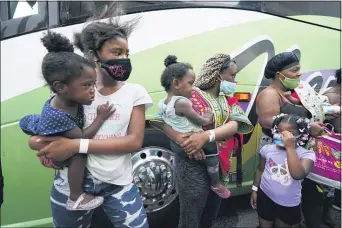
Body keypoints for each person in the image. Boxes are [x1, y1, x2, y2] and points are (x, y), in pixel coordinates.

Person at [27, 3, 152, 227]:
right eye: (116, 52)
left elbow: (134, 141)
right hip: (72, 187)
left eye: (126, 53)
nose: (124, 59)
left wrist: (74, 147)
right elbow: (43, 132)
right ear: (95, 55)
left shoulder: (135, 93)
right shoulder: (77, 92)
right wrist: (45, 148)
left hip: (118, 184)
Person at [150, 53, 253, 228]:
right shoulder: (189, 95)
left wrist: (206, 136)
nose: (235, 81)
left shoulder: (229, 100)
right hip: (193, 165)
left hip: (220, 164)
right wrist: (184, 141)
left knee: (211, 211)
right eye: (232, 75)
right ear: (217, 74)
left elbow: (236, 125)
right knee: (192, 213)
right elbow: (163, 121)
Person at [19, 31, 116, 211]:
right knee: (78, 153)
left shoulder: (68, 98)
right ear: (60, 87)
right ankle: (76, 197)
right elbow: (82, 138)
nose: (92, 90)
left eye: (93, 84)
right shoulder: (59, 115)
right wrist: (101, 118)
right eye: (87, 85)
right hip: (55, 136)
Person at [255, 51, 339, 228]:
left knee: (303, 193)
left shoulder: (292, 93)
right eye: (294, 70)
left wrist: (326, 113)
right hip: (278, 151)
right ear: (279, 74)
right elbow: (268, 121)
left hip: (297, 152)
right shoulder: (269, 94)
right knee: (281, 192)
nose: (299, 74)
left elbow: (306, 111)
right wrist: (308, 127)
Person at [156, 55, 231, 198]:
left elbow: (161, 121)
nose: (193, 88)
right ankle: (215, 183)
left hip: (177, 144)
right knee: (212, 155)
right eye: (191, 83)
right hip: (192, 137)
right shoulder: (182, 103)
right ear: (177, 84)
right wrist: (207, 117)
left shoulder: (162, 102)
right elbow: (199, 121)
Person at [250, 114, 315, 228]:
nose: (283, 136)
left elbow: (297, 174)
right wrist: (255, 190)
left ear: (301, 135)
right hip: (265, 196)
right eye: (279, 131)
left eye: (290, 134)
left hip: (288, 203)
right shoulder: (267, 149)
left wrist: (290, 147)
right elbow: (260, 170)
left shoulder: (306, 155)